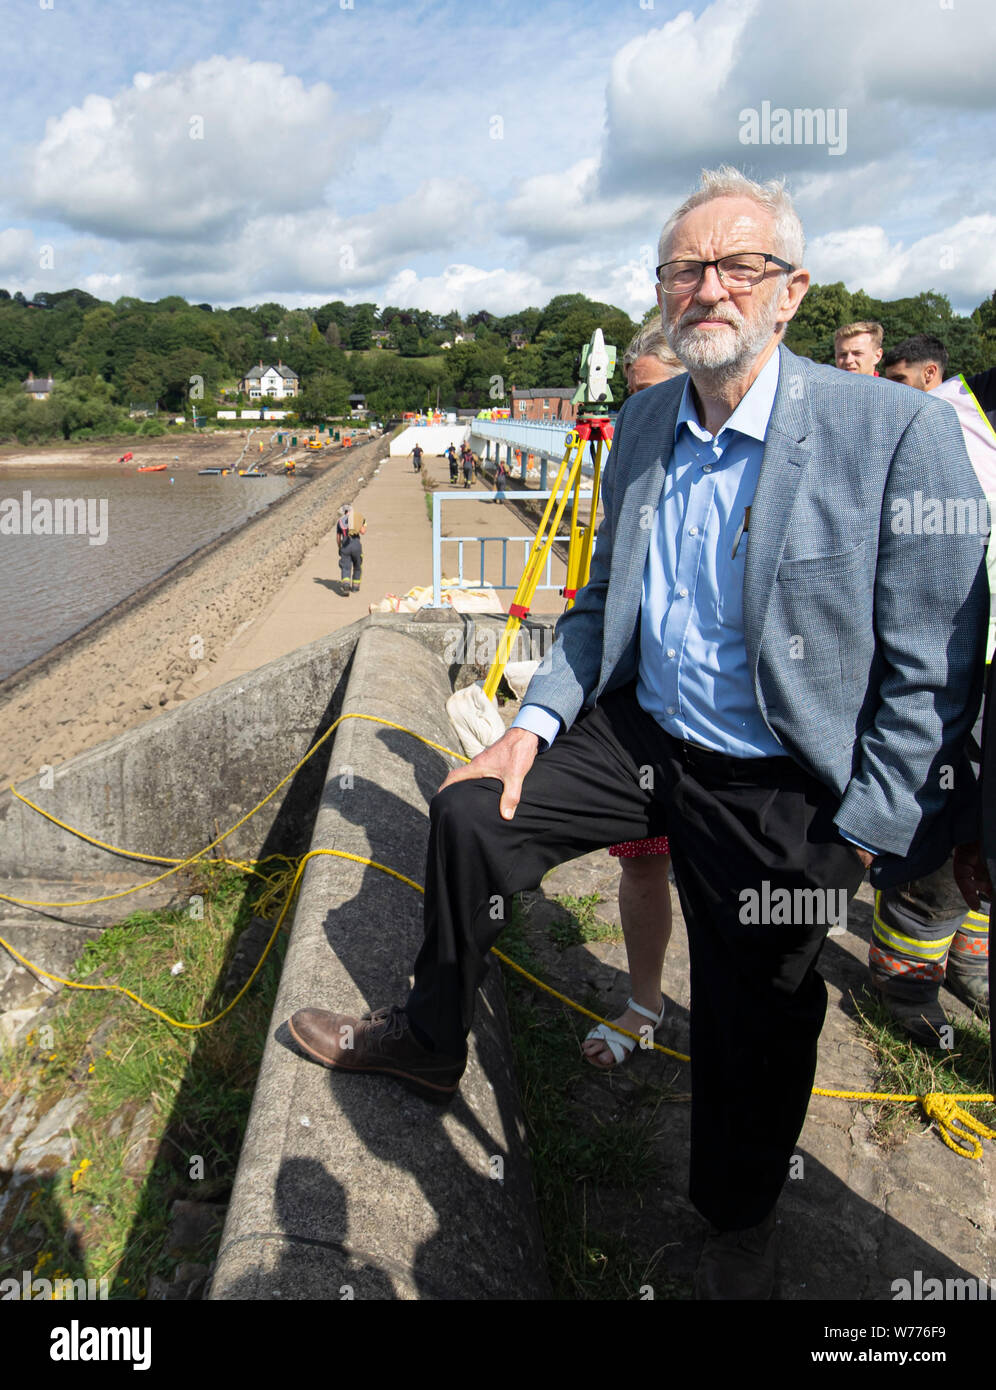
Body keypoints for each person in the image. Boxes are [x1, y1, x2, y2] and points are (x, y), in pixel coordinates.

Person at [289, 166, 987, 1299]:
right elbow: (605, 598)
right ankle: (428, 1036)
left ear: (790, 290)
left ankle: (738, 1214)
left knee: (757, 1020)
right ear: (662, 292)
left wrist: (862, 832)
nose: (707, 286)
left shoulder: (894, 430)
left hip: (779, 782)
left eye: (737, 266)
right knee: (470, 810)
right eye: (683, 269)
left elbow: (931, 668)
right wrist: (535, 721)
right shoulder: (650, 418)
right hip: (641, 732)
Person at [868, 337, 991, 1038]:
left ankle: (972, 965)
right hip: (955, 673)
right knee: (942, 841)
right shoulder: (943, 421)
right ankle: (906, 986)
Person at [583, 323, 687, 1068]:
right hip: (645, 716)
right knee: (643, 863)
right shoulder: (632, 463)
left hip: (736, 740)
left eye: (648, 396)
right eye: (628, 398)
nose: (633, 415)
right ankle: (646, 1000)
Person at [337, 505, 366, 596]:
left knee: (345, 567)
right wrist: (364, 524)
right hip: (356, 544)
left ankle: (346, 584)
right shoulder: (357, 519)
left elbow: (338, 537)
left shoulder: (340, 522)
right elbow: (363, 532)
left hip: (345, 545)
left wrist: (339, 547)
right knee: (357, 566)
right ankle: (355, 587)